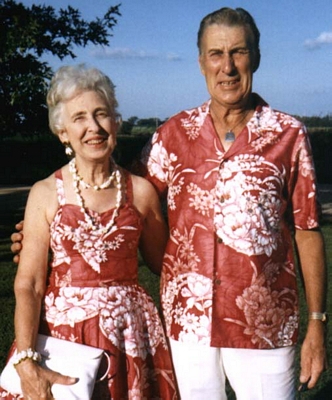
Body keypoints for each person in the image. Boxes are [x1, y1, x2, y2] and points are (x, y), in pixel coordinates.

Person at [10, 7, 328, 400]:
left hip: (263, 323)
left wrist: (317, 323)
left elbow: (308, 230)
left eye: (238, 52)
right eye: (216, 54)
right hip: (187, 327)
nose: (227, 67)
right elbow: (112, 192)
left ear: (256, 57)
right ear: (200, 62)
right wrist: (42, 232)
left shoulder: (289, 135)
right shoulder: (172, 136)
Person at [2, 64, 178, 400]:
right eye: (79, 117)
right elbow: (29, 283)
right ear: (62, 131)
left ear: (116, 122)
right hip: (62, 337)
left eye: (101, 114)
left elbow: (166, 266)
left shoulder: (141, 192)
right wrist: (26, 357)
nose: (93, 127)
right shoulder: (45, 193)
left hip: (130, 338)